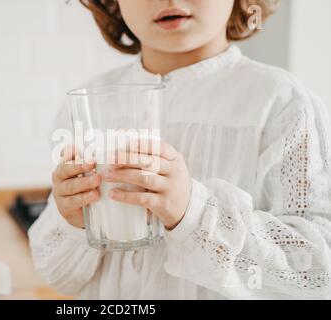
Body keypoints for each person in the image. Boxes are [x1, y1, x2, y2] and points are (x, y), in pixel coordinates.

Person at [29, 0, 331, 299]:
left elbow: (318, 272)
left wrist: (193, 213)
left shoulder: (281, 102)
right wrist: (72, 221)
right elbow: (57, 276)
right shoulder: (87, 107)